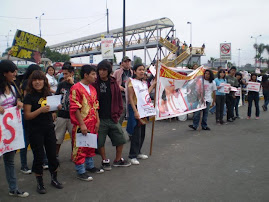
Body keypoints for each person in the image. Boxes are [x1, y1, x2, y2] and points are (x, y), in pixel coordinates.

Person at [24, 70, 63, 194]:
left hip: (49, 128)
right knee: (39, 157)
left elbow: (51, 110)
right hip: (35, 131)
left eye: (40, 79)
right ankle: (40, 183)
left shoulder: (48, 94)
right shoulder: (29, 96)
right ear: (31, 82)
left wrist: (55, 111)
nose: (37, 82)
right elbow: (27, 116)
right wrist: (40, 110)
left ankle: (54, 179)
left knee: (52, 155)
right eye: (35, 80)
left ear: (44, 81)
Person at [92, 60, 131, 170]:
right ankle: (105, 161)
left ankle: (118, 160)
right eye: (100, 70)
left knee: (121, 138)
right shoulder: (94, 84)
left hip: (113, 117)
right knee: (100, 141)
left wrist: (118, 112)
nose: (101, 72)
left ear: (108, 71)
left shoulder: (113, 83)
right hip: (100, 118)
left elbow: (119, 99)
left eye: (104, 70)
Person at [0, 60, 29, 198]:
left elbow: (17, 101)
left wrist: (18, 103)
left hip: (9, 132)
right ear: (4, 73)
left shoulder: (12, 88)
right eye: (12, 71)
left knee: (9, 161)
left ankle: (14, 188)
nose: (15, 74)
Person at [69, 65, 104, 181]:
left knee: (90, 145)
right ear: (86, 75)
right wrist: (82, 124)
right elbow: (75, 108)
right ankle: (80, 171)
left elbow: (96, 106)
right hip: (82, 123)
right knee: (80, 147)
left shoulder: (92, 89)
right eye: (93, 74)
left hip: (93, 122)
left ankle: (90, 166)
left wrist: (97, 120)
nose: (96, 77)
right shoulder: (76, 88)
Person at [127, 64, 156, 165]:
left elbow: (145, 95)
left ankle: (138, 152)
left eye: (143, 70)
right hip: (135, 108)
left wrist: (152, 85)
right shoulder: (131, 82)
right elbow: (130, 98)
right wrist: (135, 112)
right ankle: (132, 155)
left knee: (142, 132)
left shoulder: (143, 83)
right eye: (139, 70)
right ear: (134, 71)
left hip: (143, 108)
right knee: (136, 133)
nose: (142, 71)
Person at [55, 64, 75, 158]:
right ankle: (55, 155)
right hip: (62, 115)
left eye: (66, 74)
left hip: (73, 116)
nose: (64, 76)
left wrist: (72, 84)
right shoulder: (61, 85)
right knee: (58, 137)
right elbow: (56, 97)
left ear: (72, 73)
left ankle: (74, 154)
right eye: (63, 74)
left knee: (74, 138)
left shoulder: (77, 85)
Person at [113, 56, 133, 125]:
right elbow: (112, 82)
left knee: (130, 110)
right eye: (125, 61)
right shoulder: (117, 72)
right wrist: (118, 86)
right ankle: (118, 125)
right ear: (122, 63)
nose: (127, 63)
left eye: (128, 61)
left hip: (130, 94)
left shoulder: (132, 72)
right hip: (121, 94)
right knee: (123, 109)